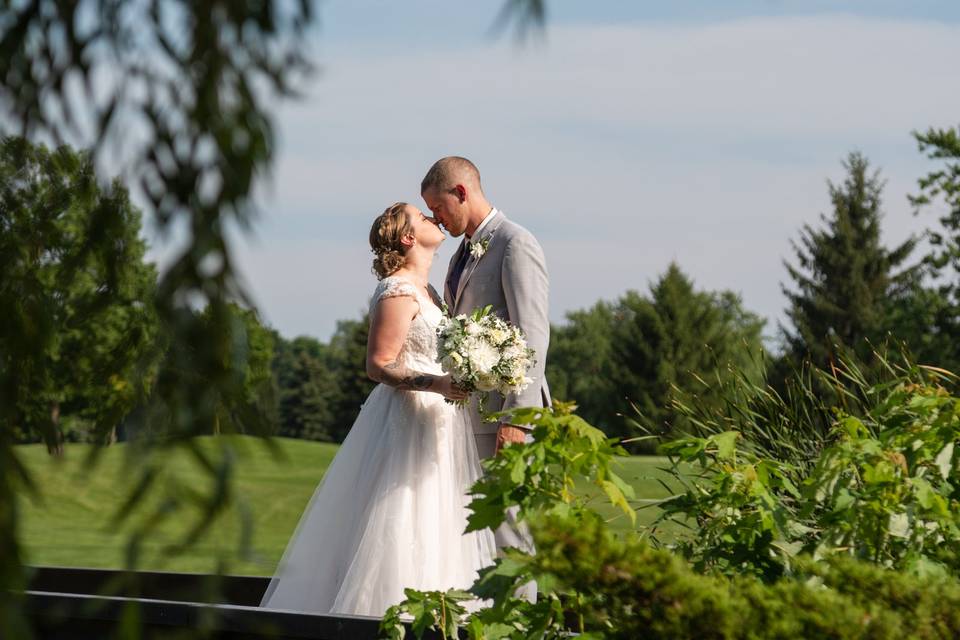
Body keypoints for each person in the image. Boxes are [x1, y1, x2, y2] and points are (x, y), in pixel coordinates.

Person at [260, 202, 496, 617]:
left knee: (441, 517)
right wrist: (436, 383)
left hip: (441, 423)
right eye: (422, 217)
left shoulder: (430, 293)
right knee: (404, 516)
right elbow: (378, 364)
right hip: (409, 422)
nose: (433, 219)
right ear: (408, 238)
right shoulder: (398, 290)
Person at [421, 156, 550, 602]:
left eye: (439, 208)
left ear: (461, 192)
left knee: (510, 529)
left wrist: (517, 420)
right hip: (467, 417)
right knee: (478, 533)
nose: (436, 220)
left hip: (505, 418)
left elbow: (533, 336)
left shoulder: (515, 243)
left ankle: (520, 624)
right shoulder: (461, 253)